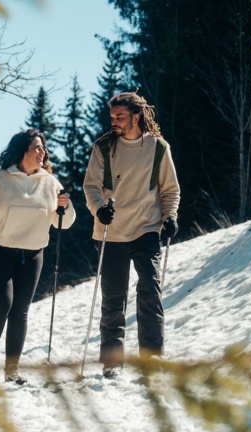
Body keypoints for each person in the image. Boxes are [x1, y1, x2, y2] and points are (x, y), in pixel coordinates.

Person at [83, 91, 180, 379]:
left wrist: (170, 216)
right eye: (112, 116)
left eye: (119, 117)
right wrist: (100, 210)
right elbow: (91, 187)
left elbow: (170, 190)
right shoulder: (103, 148)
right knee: (114, 299)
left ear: (135, 117)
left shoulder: (159, 148)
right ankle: (112, 363)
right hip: (111, 233)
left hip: (147, 229)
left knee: (150, 290)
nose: (113, 121)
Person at [0, 128, 75, 384]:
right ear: (22, 152)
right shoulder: (0, 179)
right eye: (36, 148)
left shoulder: (50, 183)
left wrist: (66, 207)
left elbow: (64, 223)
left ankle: (13, 368)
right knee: (2, 303)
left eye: (43, 148)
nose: (42, 152)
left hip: (33, 253)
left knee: (21, 310)